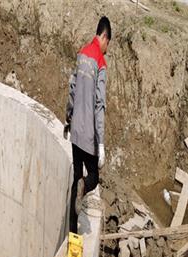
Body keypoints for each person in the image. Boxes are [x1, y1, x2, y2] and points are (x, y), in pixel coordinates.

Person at [64, 16, 112, 234]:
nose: (107, 49)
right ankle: (84, 184)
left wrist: (68, 118)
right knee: (92, 178)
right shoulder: (100, 64)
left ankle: (72, 230)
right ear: (103, 36)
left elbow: (72, 90)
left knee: (75, 179)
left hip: (75, 130)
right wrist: (100, 144)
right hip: (89, 136)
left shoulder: (82, 53)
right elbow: (99, 105)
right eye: (107, 43)